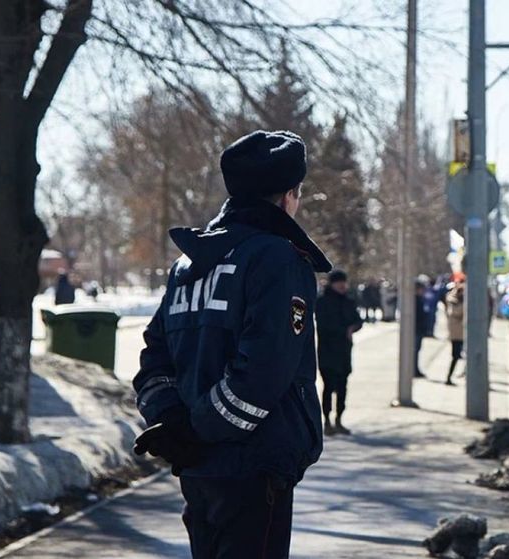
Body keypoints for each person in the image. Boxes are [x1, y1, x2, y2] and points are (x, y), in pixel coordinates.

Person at [132, 130, 331, 559]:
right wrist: (200, 430)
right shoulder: (277, 257)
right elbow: (264, 370)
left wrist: (176, 423)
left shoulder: (189, 264)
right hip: (254, 464)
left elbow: (153, 358)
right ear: (288, 196)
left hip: (200, 469)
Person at [315, 269, 363, 436]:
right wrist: (344, 330)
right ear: (332, 284)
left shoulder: (348, 301)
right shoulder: (322, 302)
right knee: (328, 387)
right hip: (327, 351)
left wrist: (353, 328)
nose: (342, 285)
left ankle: (339, 419)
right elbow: (323, 325)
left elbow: (358, 320)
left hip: (344, 351)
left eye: (344, 282)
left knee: (343, 387)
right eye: (339, 282)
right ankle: (327, 420)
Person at [445, 279, 465, 385]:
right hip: (456, 333)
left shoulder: (457, 300)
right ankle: (448, 377)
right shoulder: (453, 301)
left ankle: (460, 374)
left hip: (460, 332)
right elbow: (456, 313)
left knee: (459, 355)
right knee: (455, 355)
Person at [414, 280, 428, 378]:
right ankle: (414, 370)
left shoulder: (420, 299)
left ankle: (415, 369)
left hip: (419, 329)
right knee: (414, 350)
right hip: (416, 330)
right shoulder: (415, 300)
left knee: (416, 350)